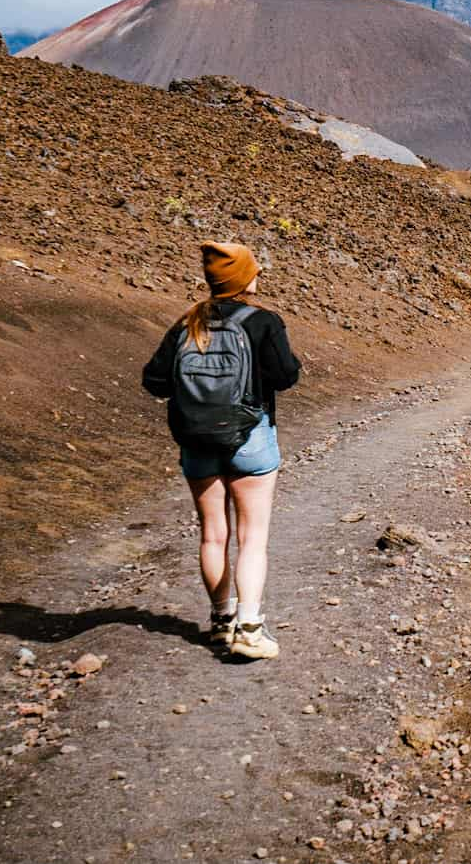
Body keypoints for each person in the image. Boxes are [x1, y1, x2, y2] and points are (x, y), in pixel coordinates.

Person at [142, 241, 300, 660]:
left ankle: (220, 622)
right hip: (250, 438)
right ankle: (249, 629)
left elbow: (155, 381)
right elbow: (286, 377)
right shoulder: (263, 322)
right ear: (246, 279)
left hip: (196, 441)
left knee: (213, 534)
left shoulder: (186, 323)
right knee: (252, 537)